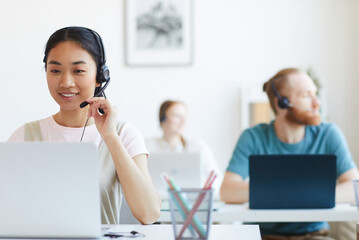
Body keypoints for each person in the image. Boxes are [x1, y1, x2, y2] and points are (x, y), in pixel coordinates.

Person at [7, 26, 161, 225]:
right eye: (55, 70)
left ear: (101, 77)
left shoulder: (124, 134)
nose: (66, 82)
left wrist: (110, 137)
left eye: (78, 70)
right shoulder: (25, 136)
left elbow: (148, 213)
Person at [220, 68, 359, 239]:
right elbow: (227, 190)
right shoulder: (253, 137)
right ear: (281, 103)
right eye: (306, 95)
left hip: (314, 235)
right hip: (264, 236)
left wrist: (294, 192)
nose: (317, 103)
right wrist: (300, 192)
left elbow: (355, 189)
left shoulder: (329, 134)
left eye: (314, 94)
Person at [145, 100, 222, 191]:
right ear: (163, 119)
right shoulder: (147, 146)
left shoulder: (198, 146)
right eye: (177, 116)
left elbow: (217, 178)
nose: (182, 121)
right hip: (156, 200)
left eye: (184, 117)